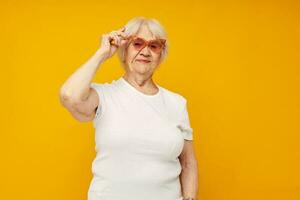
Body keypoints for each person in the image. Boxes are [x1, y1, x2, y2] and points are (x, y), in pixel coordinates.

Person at [59, 16, 198, 200]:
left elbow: (188, 163)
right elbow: (69, 95)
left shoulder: (176, 103)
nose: (145, 51)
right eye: (137, 43)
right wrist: (102, 53)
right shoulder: (104, 96)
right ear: (124, 49)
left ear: (160, 53)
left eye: (154, 46)